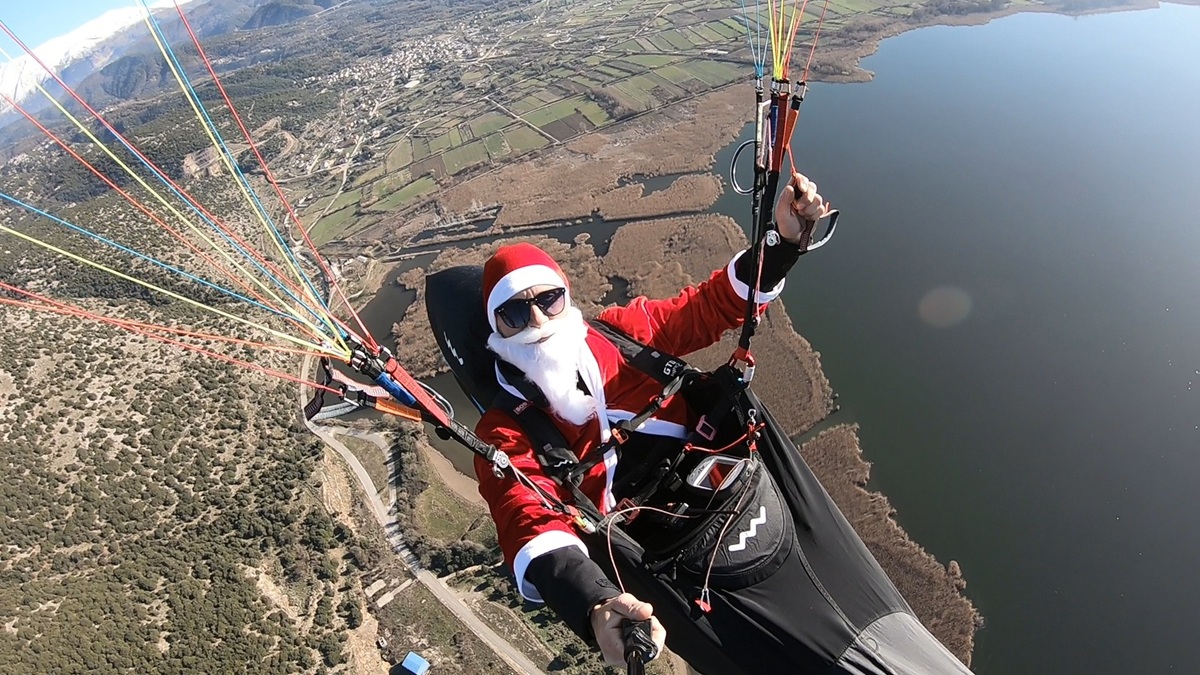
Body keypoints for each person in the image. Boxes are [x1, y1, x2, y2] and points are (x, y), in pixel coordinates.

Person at [473, 172, 831, 667]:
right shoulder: (506, 428)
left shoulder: (622, 337)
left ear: (566, 298)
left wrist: (783, 243)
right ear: (497, 327)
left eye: (548, 299)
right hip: (654, 549)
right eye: (515, 312)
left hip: (719, 481)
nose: (536, 321)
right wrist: (594, 602)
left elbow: (706, 309)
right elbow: (526, 516)